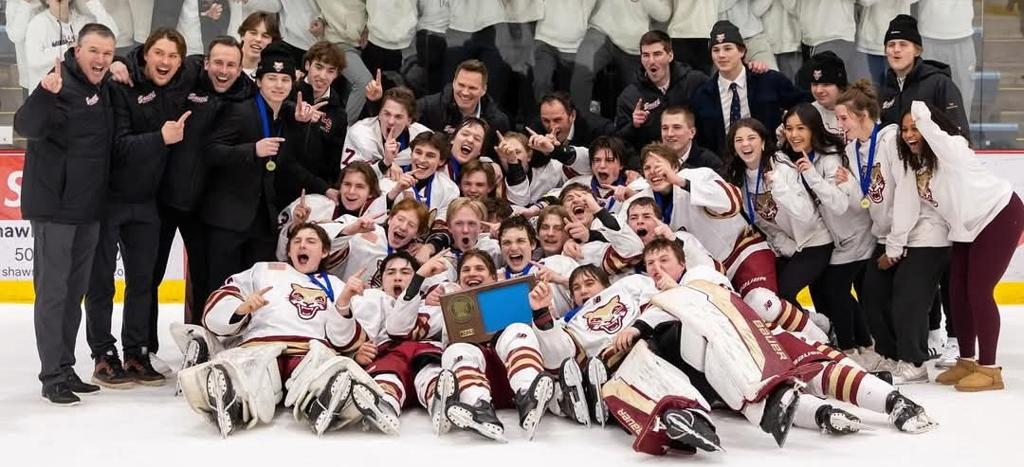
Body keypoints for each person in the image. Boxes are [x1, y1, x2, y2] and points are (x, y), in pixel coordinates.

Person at [178, 223, 392, 437]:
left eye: (311, 241)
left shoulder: (336, 285)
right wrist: (242, 307)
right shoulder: (263, 270)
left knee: (318, 370)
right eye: (297, 241)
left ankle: (325, 398)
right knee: (255, 371)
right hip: (261, 346)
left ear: (325, 251)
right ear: (288, 251)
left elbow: (343, 341)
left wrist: (343, 303)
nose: (302, 245)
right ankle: (232, 396)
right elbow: (221, 299)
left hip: (308, 351)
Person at [84, 28, 198, 388]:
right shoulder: (122, 83)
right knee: (102, 283)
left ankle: (136, 352)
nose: (165, 61)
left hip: (147, 204)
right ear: (145, 54)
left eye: (173, 56)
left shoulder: (182, 82)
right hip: (110, 200)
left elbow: (206, 66)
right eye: (158, 53)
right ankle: (103, 354)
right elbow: (118, 146)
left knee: (143, 284)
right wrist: (160, 138)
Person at [15, 23, 118, 405]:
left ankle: (65, 366)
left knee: (74, 294)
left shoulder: (103, 87)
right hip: (55, 210)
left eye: (108, 53)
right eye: (94, 51)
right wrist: (43, 94)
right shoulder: (56, 83)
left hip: (88, 210)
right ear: (77, 50)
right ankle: (51, 375)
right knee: (53, 295)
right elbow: (25, 126)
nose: (101, 59)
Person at [893, 102, 1024, 392]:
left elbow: (935, 136)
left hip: (998, 215)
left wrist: (920, 111)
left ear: (930, 127)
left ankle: (990, 370)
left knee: (978, 291)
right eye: (904, 129)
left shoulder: (953, 146)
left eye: (915, 128)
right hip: (964, 229)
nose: (909, 134)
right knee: (956, 292)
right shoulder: (921, 165)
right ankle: (966, 360)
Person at [153, 36, 254, 327]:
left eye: (231, 64)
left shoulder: (245, 97)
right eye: (218, 63)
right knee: (150, 277)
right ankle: (142, 349)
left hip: (205, 208)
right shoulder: (187, 81)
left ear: (240, 67)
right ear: (206, 62)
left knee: (204, 278)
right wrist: (124, 62)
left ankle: (201, 337)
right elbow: (151, 59)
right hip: (165, 198)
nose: (224, 70)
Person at [203, 42, 316, 294]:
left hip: (263, 220)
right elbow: (210, 152)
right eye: (272, 78)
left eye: (284, 80)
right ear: (259, 81)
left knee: (258, 290)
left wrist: (301, 125)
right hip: (228, 219)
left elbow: (289, 161)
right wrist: (252, 150)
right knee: (223, 290)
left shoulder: (287, 115)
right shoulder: (240, 111)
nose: (278, 85)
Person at [833, 80, 914, 373]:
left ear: (863, 115)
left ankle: (911, 357)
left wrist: (899, 239)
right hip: (881, 233)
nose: (840, 125)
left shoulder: (890, 139)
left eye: (844, 118)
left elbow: (905, 188)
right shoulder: (853, 148)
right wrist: (850, 186)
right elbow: (865, 200)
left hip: (907, 233)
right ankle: (889, 355)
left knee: (901, 300)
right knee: (872, 298)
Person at [433, 250, 555, 442]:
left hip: (512, 378)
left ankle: (529, 395)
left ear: (493, 277)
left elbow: (555, 349)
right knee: (455, 350)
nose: (472, 273)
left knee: (516, 329)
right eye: (466, 270)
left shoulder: (520, 298)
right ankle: (478, 408)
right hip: (477, 380)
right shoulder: (446, 308)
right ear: (458, 279)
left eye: (479, 268)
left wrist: (541, 312)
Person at [691, 20, 810, 155]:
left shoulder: (768, 80)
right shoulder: (703, 95)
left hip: (770, 160)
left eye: (728, 48)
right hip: (723, 165)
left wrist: (787, 131)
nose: (721, 55)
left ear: (741, 51)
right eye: (716, 50)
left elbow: (803, 104)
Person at [568, 0, 672, 114]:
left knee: (637, 95)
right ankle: (578, 123)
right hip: (601, 30)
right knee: (582, 72)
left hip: (633, 43)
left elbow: (663, 15)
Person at [277, 41, 349, 204]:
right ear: (307, 65)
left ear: (336, 74)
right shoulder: (287, 92)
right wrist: (294, 112)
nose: (323, 76)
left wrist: (327, 189)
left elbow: (333, 162)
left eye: (330, 71)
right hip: (278, 184)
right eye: (319, 67)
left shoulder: (338, 113)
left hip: (314, 194)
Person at [614, 30, 709, 150]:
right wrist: (634, 125)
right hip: (652, 162)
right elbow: (620, 144)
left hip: (694, 160)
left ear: (670, 55)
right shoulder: (630, 96)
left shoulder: (694, 81)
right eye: (646, 55)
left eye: (657, 54)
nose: (651, 61)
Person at [879, 14, 969, 133]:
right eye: (891, 45)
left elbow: (959, 135)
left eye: (903, 44)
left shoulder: (940, 84)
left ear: (917, 51)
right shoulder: (884, 89)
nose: (896, 49)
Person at [23, 0, 119, 92]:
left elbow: (112, 35)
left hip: (76, 95)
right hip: (48, 96)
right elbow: (34, 60)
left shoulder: (83, 22)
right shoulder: (37, 24)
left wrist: (93, 2)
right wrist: (68, 48)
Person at [342, 86, 432, 178]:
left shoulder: (424, 136)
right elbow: (349, 178)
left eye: (398, 117)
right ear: (379, 114)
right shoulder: (360, 133)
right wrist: (384, 164)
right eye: (387, 114)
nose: (391, 121)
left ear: (409, 120)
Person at [532, 0, 599, 102]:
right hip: (545, 39)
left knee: (576, 94)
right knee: (542, 82)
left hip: (579, 45)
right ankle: (545, 114)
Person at [659, 106, 721, 171]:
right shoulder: (652, 160)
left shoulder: (710, 163)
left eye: (677, 127)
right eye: (665, 128)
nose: (670, 134)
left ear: (692, 132)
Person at [236, 11, 280, 81]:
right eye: (253, 33)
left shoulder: (274, 74)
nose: (258, 39)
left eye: (265, 36)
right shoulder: (224, 65)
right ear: (242, 35)